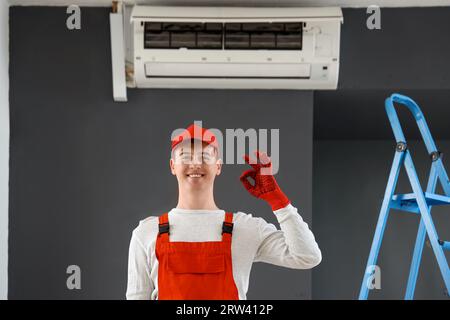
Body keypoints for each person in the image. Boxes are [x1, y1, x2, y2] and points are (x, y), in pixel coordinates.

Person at [126, 123, 321, 300]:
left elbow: (307, 256)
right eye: (185, 156)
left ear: (218, 166)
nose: (195, 164)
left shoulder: (245, 228)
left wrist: (277, 201)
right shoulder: (147, 232)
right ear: (172, 166)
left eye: (204, 156)